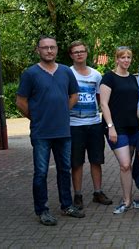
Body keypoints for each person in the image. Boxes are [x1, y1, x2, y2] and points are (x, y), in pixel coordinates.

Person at [16, 35, 84, 226]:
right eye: (45, 48)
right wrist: (36, 117)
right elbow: (20, 101)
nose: (49, 51)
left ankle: (67, 205)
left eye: (52, 47)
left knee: (64, 170)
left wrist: (62, 111)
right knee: (41, 173)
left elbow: (74, 95)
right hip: (41, 133)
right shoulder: (30, 74)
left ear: (56, 49)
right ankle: (42, 210)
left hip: (63, 131)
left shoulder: (65, 71)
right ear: (38, 50)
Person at [100, 46, 139, 214]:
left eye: (128, 57)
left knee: (130, 165)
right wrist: (111, 127)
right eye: (123, 57)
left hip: (133, 126)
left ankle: (129, 198)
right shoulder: (109, 78)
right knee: (125, 164)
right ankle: (126, 201)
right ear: (117, 59)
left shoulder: (133, 79)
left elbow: (134, 105)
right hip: (117, 128)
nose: (126, 60)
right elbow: (104, 104)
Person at [68, 41, 112, 209]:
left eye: (82, 51)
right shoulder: (67, 74)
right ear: (71, 55)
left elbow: (102, 101)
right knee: (76, 162)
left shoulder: (96, 75)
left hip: (94, 124)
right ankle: (77, 195)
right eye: (75, 52)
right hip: (74, 125)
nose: (79, 54)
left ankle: (98, 192)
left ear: (87, 53)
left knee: (96, 160)